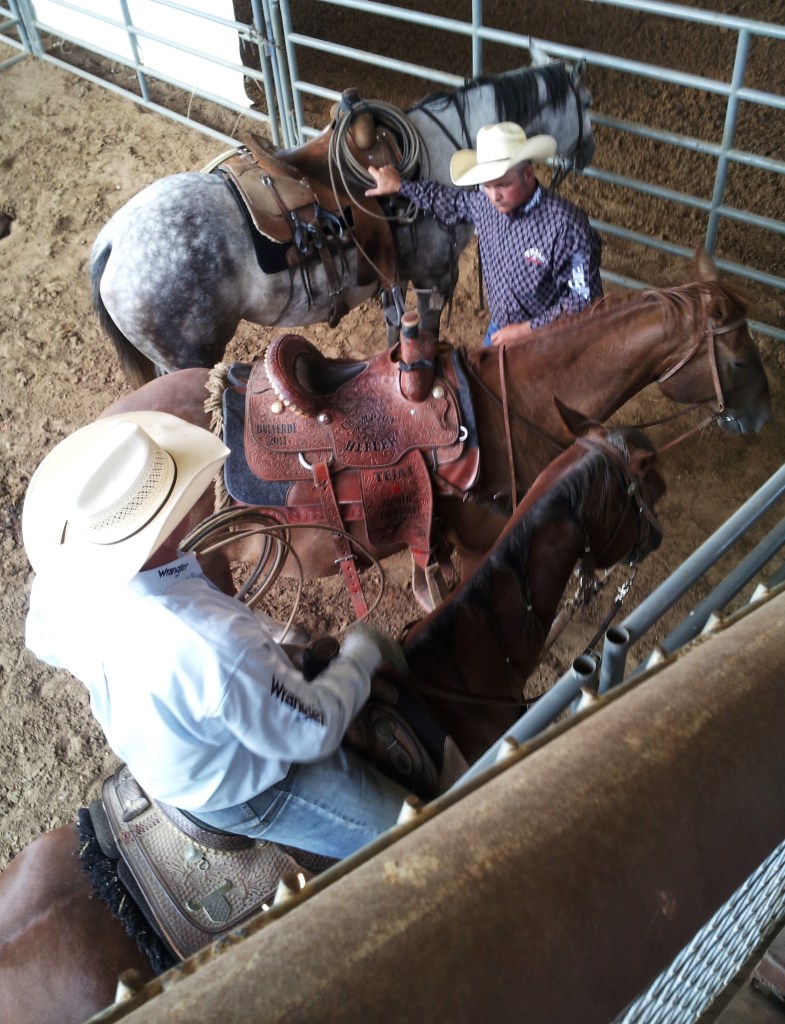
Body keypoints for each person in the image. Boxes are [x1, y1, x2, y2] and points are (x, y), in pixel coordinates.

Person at [22, 411, 411, 860]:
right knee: (420, 833)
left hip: (169, 753)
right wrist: (363, 651)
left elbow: (43, 639)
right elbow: (312, 730)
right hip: (234, 791)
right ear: (180, 513)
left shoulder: (64, 586)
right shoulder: (212, 640)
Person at [366, 121, 603, 346]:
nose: (493, 196)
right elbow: (450, 200)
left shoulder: (566, 227)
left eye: (501, 185)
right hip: (501, 328)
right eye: (486, 186)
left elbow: (584, 302)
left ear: (528, 174)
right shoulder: (485, 205)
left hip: (551, 340)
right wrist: (400, 186)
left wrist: (526, 330)